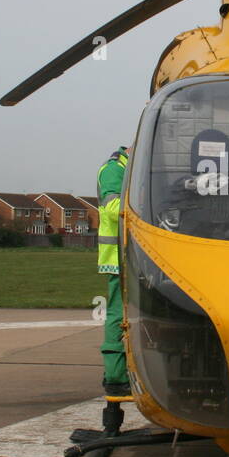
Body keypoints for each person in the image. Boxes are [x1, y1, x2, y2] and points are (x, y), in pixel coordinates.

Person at [96, 145, 130, 400]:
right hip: (119, 258)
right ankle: (116, 377)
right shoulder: (113, 170)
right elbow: (112, 207)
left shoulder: (124, 168)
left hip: (133, 254)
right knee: (118, 313)